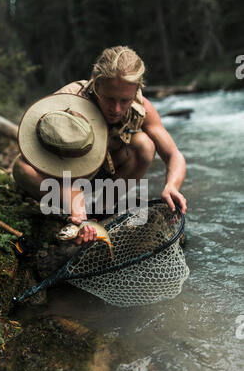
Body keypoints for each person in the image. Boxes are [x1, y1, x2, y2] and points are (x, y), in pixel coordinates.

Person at [13, 46, 187, 248]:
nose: (117, 109)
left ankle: (102, 209)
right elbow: (42, 162)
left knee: (145, 145)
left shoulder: (142, 106)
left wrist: (172, 186)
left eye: (125, 100)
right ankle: (72, 212)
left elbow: (174, 154)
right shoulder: (68, 102)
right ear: (96, 85)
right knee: (21, 167)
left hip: (102, 173)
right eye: (110, 99)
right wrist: (76, 207)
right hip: (60, 176)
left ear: (137, 90)